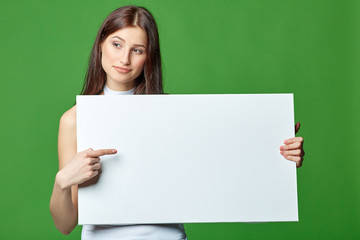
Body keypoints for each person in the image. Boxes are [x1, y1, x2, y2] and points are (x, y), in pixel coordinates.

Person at [49, 5, 305, 240]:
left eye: (137, 50)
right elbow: (65, 225)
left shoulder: (174, 113)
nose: (125, 59)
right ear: (101, 45)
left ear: (148, 57)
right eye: (117, 44)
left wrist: (279, 158)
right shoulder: (75, 120)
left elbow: (223, 166)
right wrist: (63, 181)